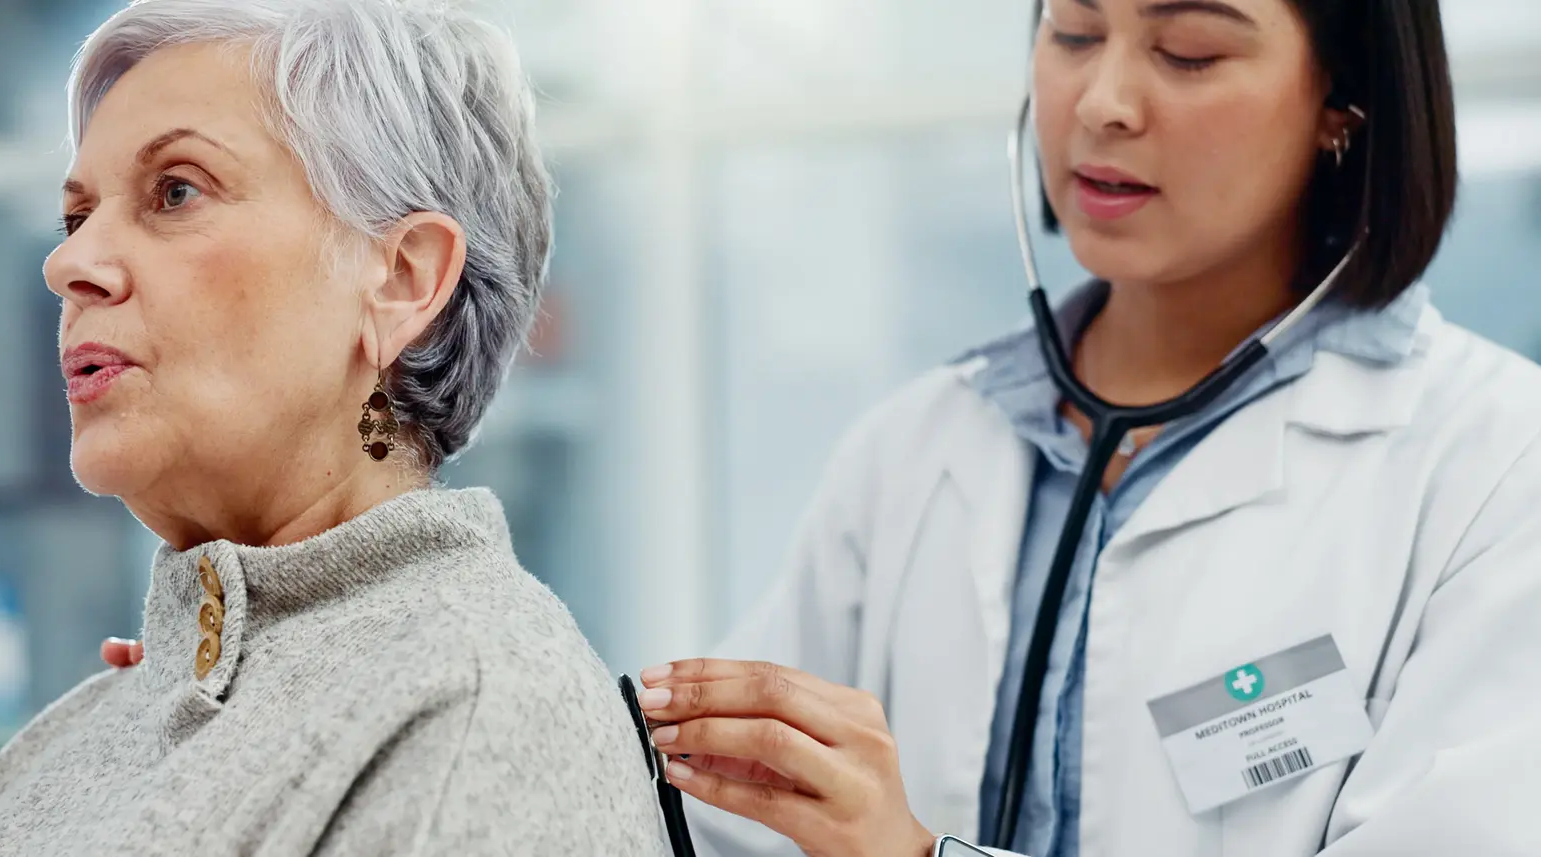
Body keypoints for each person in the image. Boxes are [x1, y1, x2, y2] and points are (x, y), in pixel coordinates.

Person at [625, 1, 1541, 856]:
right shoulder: (917, 448)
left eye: (1189, 53)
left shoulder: (1492, 467)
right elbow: (720, 826)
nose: (1102, 103)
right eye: (1072, 33)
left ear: (1345, 102)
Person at [0, 1, 667, 855]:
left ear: (399, 279)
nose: (67, 263)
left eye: (176, 190)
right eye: (76, 217)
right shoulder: (64, 742)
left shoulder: (472, 706)